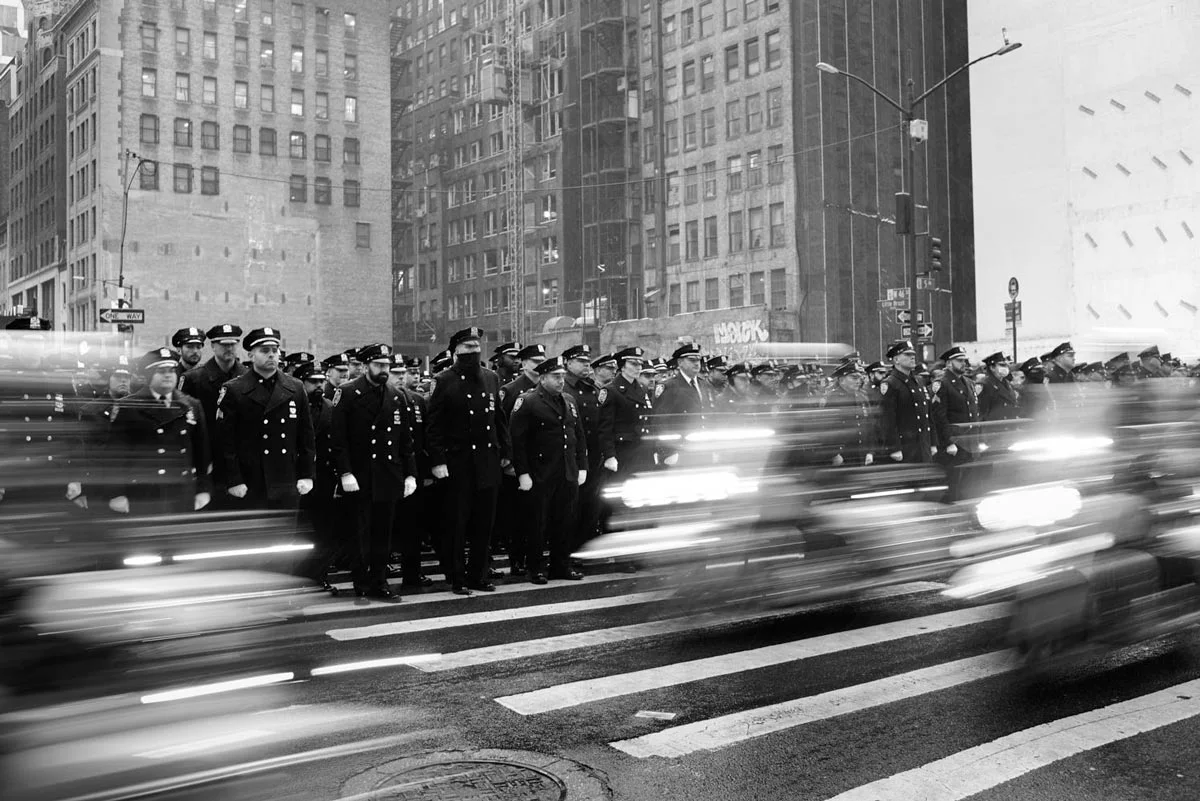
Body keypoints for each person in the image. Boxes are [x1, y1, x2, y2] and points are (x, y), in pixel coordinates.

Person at [426, 327, 512, 595]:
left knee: (483, 524)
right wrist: (438, 460)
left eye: (476, 348)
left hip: (486, 461)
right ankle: (457, 578)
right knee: (457, 524)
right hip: (458, 463)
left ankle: (478, 575)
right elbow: (434, 426)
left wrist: (506, 454)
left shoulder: (491, 377)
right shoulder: (443, 380)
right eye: (467, 348)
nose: (473, 352)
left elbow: (499, 419)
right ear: (456, 352)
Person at [330, 343, 417, 600]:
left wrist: (410, 473)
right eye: (378, 365)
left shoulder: (395, 395)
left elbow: (405, 440)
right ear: (366, 366)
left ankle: (380, 581)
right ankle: (361, 581)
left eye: (386, 366)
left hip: (388, 474)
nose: (383, 370)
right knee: (361, 534)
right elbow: (338, 440)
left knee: (383, 533)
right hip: (361, 474)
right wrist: (345, 473)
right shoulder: (347, 392)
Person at [215, 327, 316, 509]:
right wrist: (233, 479)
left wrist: (306, 474)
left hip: (286, 477)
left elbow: (306, 437)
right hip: (250, 480)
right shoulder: (235, 389)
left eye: (275, 350)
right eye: (264, 351)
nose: (271, 355)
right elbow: (225, 441)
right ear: (251, 355)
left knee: (285, 536)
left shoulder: (295, 387)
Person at [105, 348, 211, 517]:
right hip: (142, 492)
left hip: (181, 491)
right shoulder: (129, 407)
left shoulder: (191, 405)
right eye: (161, 371)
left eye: (171, 370)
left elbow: (202, 454)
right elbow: (115, 455)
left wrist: (203, 489)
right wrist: (116, 493)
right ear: (148, 376)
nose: (168, 375)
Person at [510, 357, 588, 583]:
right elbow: (518, 441)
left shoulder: (569, 400)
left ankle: (560, 565)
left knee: (564, 522)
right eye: (556, 376)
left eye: (562, 376)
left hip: (566, 471)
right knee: (538, 523)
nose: (561, 381)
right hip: (541, 472)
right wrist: (522, 473)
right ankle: (535, 567)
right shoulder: (528, 401)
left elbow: (578, 436)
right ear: (542, 378)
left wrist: (582, 465)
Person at [562, 344, 616, 551]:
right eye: (581, 361)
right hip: (570, 456)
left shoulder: (593, 389)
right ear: (568, 362)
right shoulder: (564, 388)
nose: (586, 365)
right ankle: (569, 550)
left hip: (593, 456)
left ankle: (585, 547)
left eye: (588, 361)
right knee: (570, 507)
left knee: (591, 505)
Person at [389, 353, 435, 590]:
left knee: (413, 527)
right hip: (386, 471)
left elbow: (425, 439)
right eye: (394, 373)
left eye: (401, 373)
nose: (399, 378)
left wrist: (424, 473)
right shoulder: (379, 399)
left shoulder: (417, 400)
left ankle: (412, 574)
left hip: (412, 472)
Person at [933, 346, 982, 500]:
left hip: (970, 441)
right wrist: (949, 442)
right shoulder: (942, 383)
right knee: (955, 482)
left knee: (970, 483)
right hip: (956, 442)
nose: (963, 363)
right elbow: (939, 416)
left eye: (964, 360)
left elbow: (973, 413)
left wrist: (978, 438)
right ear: (949, 363)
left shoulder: (968, 382)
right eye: (959, 360)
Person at [878, 340, 937, 464]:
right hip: (906, 447)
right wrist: (894, 448)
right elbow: (888, 419)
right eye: (907, 354)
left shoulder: (918, 381)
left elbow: (928, 414)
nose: (912, 357)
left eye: (913, 354)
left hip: (923, 444)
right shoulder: (890, 384)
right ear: (896, 360)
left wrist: (932, 442)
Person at [653, 343, 711, 465]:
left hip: (704, 447)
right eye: (691, 360)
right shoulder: (669, 386)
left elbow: (709, 416)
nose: (696, 363)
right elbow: (661, 422)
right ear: (680, 363)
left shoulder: (704, 385)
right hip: (681, 450)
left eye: (698, 360)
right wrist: (668, 451)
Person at [818, 362, 876, 467]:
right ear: (841, 380)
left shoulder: (862, 396)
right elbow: (826, 430)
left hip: (861, 453)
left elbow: (869, 426)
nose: (859, 381)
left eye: (859, 378)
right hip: (843, 455)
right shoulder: (832, 399)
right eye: (854, 378)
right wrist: (834, 454)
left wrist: (870, 451)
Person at [609, 347, 655, 474]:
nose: (638, 368)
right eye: (634, 364)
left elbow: (648, 420)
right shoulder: (612, 390)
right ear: (622, 367)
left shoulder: (641, 388)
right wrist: (609, 455)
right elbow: (605, 428)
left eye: (640, 364)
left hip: (644, 447)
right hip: (624, 450)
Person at [978, 352, 1021, 421]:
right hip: (995, 426)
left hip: (1010, 424)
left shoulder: (1007, 383)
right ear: (992, 367)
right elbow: (982, 412)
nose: (1005, 368)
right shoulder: (985, 384)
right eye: (1002, 365)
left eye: (1006, 365)